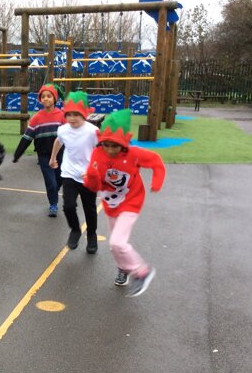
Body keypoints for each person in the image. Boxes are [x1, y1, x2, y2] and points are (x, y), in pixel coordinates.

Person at [83, 109, 166, 297]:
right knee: (115, 245)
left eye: (115, 146)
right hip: (111, 203)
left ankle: (142, 272)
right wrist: (92, 175)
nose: (110, 150)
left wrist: (157, 182)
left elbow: (156, 161)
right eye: (106, 145)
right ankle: (123, 267)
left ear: (124, 143)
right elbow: (93, 186)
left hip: (132, 200)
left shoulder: (134, 154)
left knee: (117, 242)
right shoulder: (97, 154)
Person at [49, 91, 99, 253]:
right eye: (69, 114)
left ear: (84, 114)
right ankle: (75, 230)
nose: (72, 118)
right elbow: (58, 142)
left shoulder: (92, 131)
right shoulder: (63, 130)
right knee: (68, 206)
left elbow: (101, 152)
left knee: (89, 209)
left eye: (76, 114)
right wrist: (53, 158)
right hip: (69, 173)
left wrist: (94, 169)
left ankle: (91, 236)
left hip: (88, 176)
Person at [12, 83, 65, 217]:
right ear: (40, 99)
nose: (46, 98)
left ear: (55, 98)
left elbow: (70, 135)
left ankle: (55, 190)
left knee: (59, 180)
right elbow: (27, 138)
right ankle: (53, 204)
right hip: (43, 155)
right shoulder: (36, 118)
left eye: (49, 96)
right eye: (43, 96)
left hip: (60, 155)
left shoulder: (62, 116)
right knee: (50, 182)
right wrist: (17, 154)